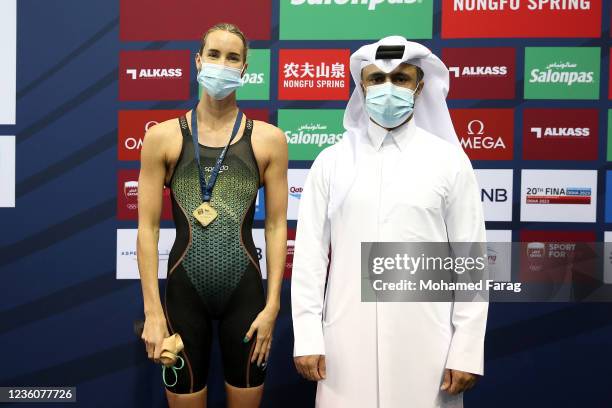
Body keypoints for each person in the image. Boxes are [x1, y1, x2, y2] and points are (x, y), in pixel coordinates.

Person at [291, 36, 488, 407]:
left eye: (400, 78)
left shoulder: (449, 162)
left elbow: (470, 260)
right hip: (345, 344)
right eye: (376, 79)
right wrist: (307, 337)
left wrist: (466, 348)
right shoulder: (331, 162)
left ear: (420, 85)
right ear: (361, 85)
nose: (388, 89)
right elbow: (309, 260)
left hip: (428, 345)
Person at [137, 23, 288, 408]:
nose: (222, 64)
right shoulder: (163, 138)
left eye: (233, 57)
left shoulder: (269, 139)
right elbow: (147, 228)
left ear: (244, 68)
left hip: (247, 296)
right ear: (198, 61)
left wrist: (272, 307)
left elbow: (275, 227)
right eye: (215, 55)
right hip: (184, 294)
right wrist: (153, 314)